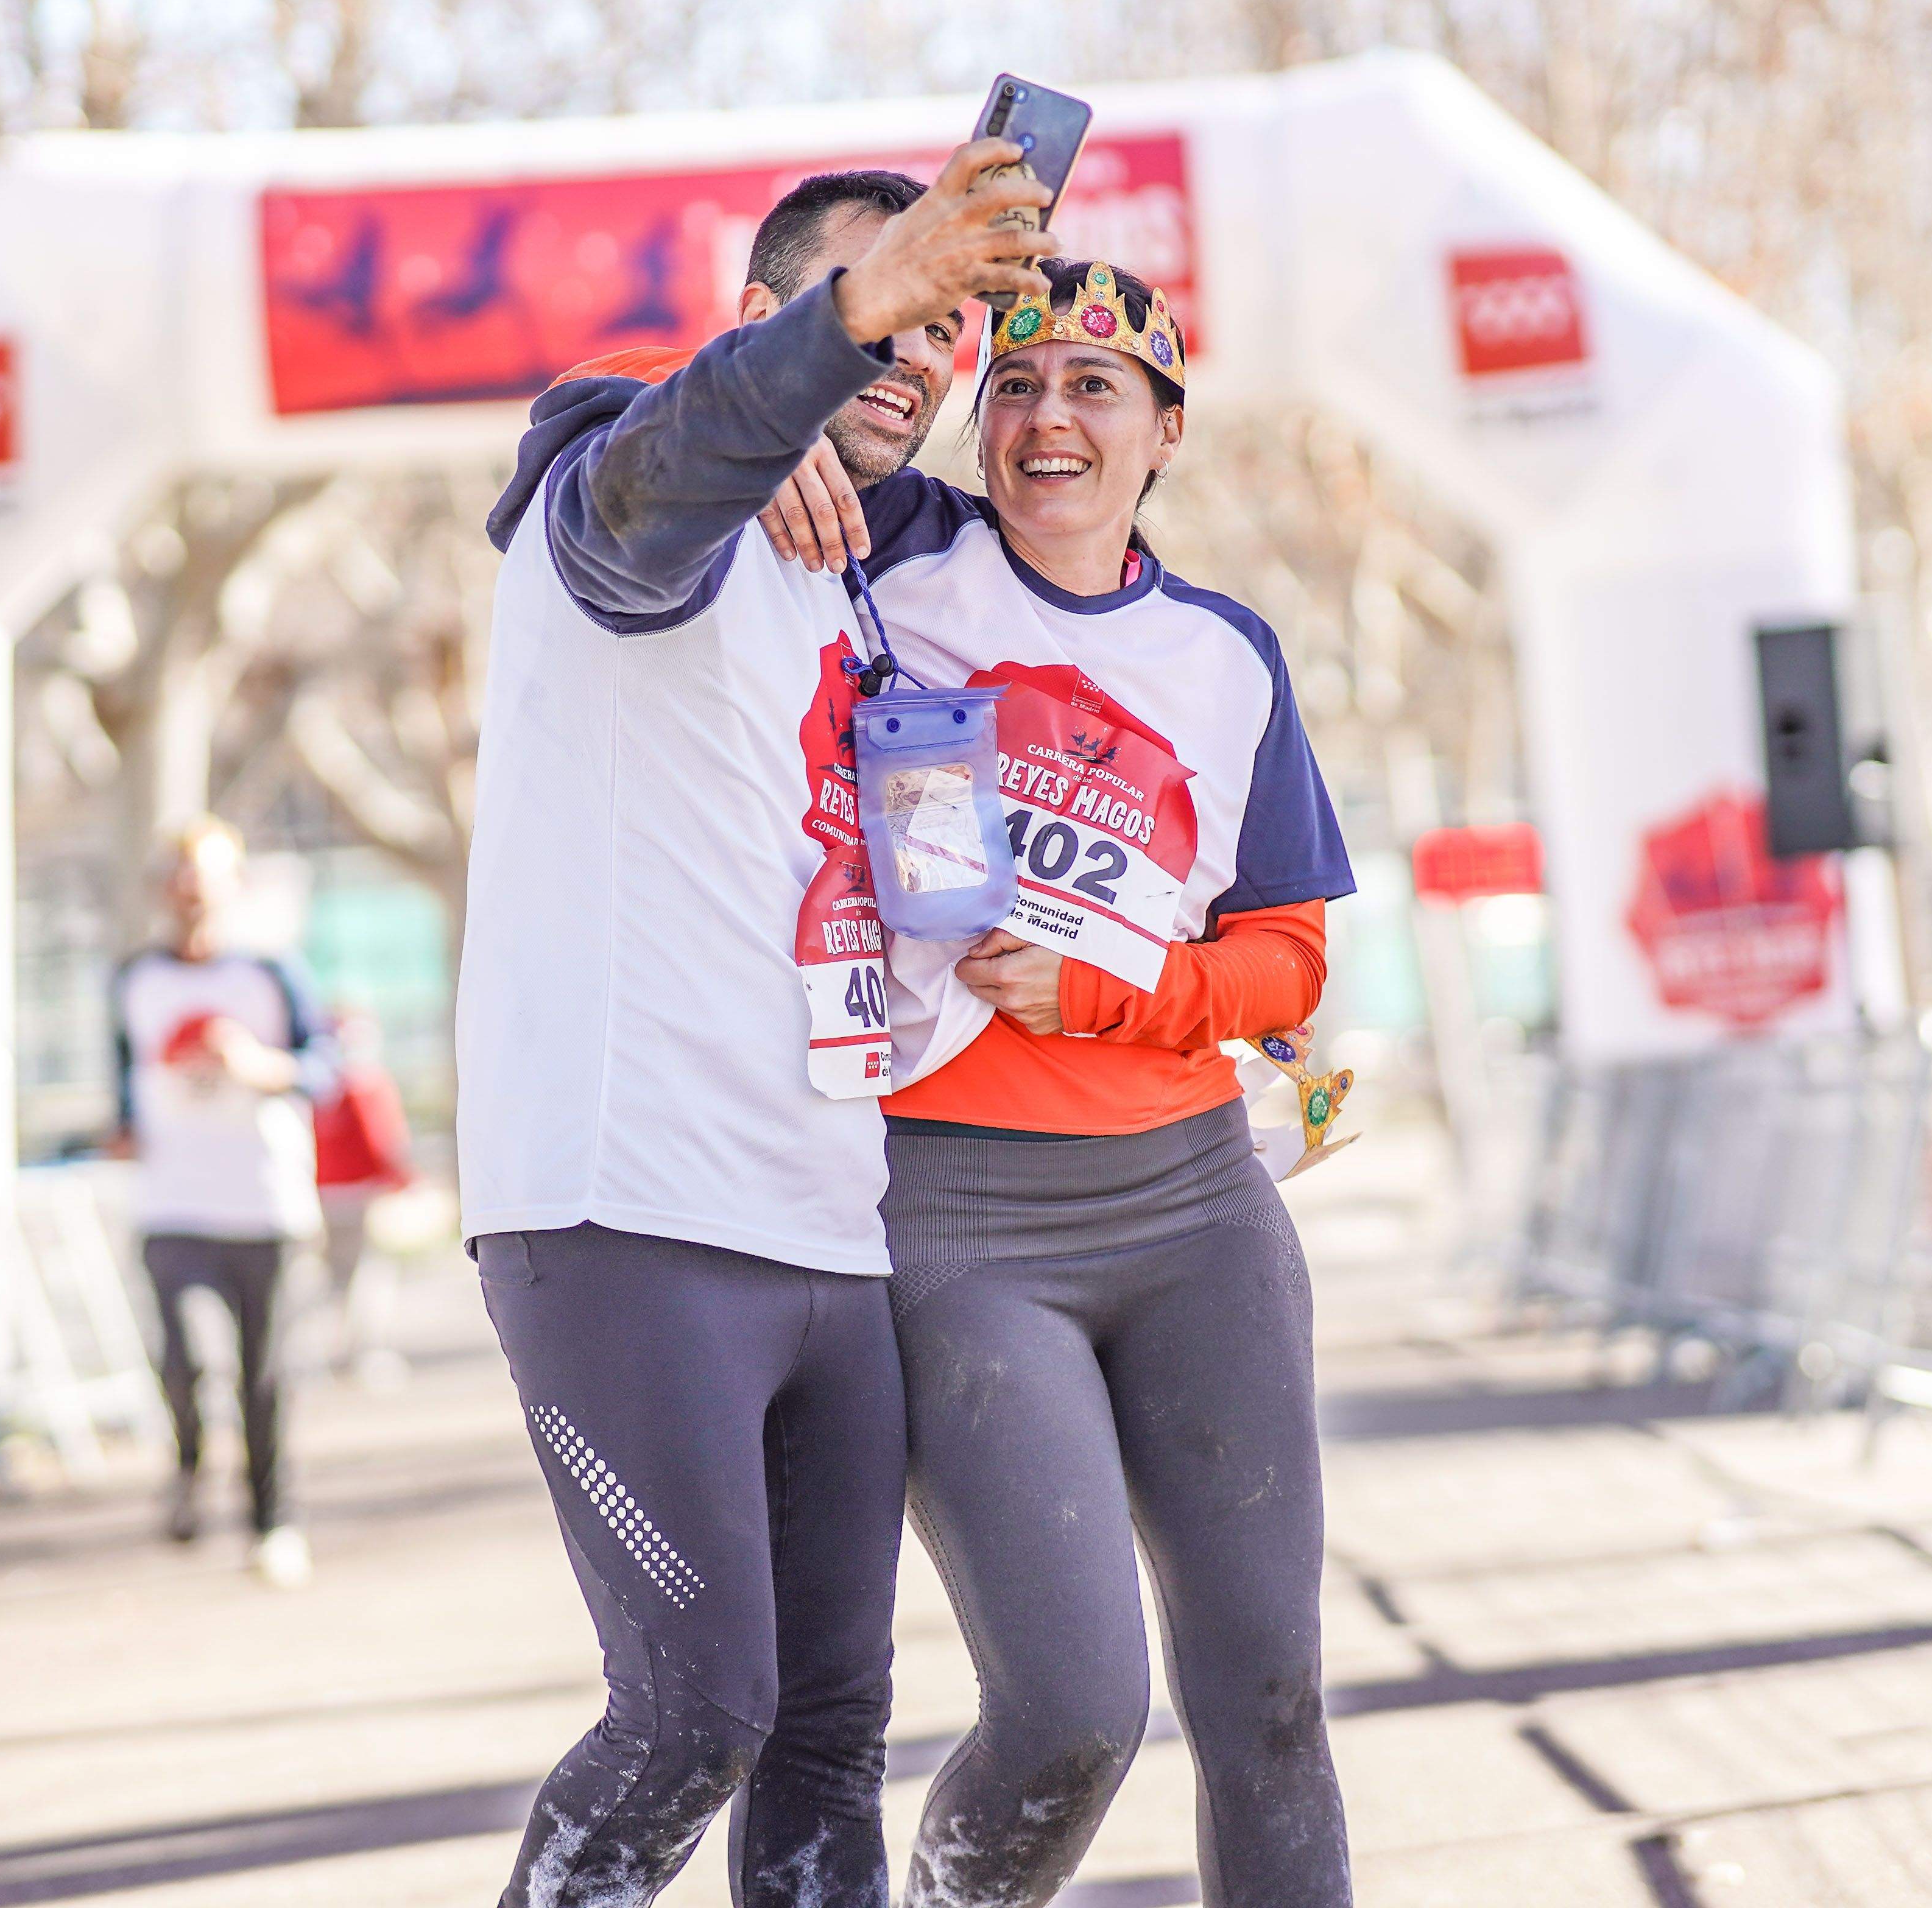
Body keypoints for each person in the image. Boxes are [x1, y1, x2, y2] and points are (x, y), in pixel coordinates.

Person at [459, 136, 1052, 1908]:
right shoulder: (640, 501)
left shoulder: (851, 582)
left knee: (825, 1730)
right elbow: (640, 464)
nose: (919, 353)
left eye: (945, 327)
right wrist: (849, 318)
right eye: (884, 308)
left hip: (825, 1224)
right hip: (623, 1211)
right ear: (757, 325)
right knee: (686, 1718)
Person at [765, 259, 1358, 1907]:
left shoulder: (1225, 657)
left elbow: (1290, 968)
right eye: (1017, 383)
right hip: (960, 1221)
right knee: (1076, 1713)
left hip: (1196, 1216)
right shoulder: (899, 555)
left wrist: (1122, 990)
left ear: (1165, 431)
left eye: (1099, 387)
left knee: (1273, 1704)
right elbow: (646, 424)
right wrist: (777, 436)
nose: (1048, 417)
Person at [111, 815, 334, 1585]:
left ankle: (273, 1521)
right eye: (177, 879)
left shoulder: (272, 973)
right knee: (181, 1356)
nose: (191, 896)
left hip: (263, 1203)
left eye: (205, 880)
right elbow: (126, 1080)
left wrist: (258, 1065)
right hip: (171, 1200)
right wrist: (121, 1130)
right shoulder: (136, 979)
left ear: (234, 887)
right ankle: (187, 1467)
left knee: (262, 1374)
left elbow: (326, 1070)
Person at [310, 1005, 414, 1387]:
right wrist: (404, 1178)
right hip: (363, 1194)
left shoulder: (319, 1084)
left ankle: (330, 1354)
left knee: (332, 1278)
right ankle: (364, 1354)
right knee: (368, 1276)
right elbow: (383, 1140)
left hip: (324, 1193)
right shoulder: (366, 1082)